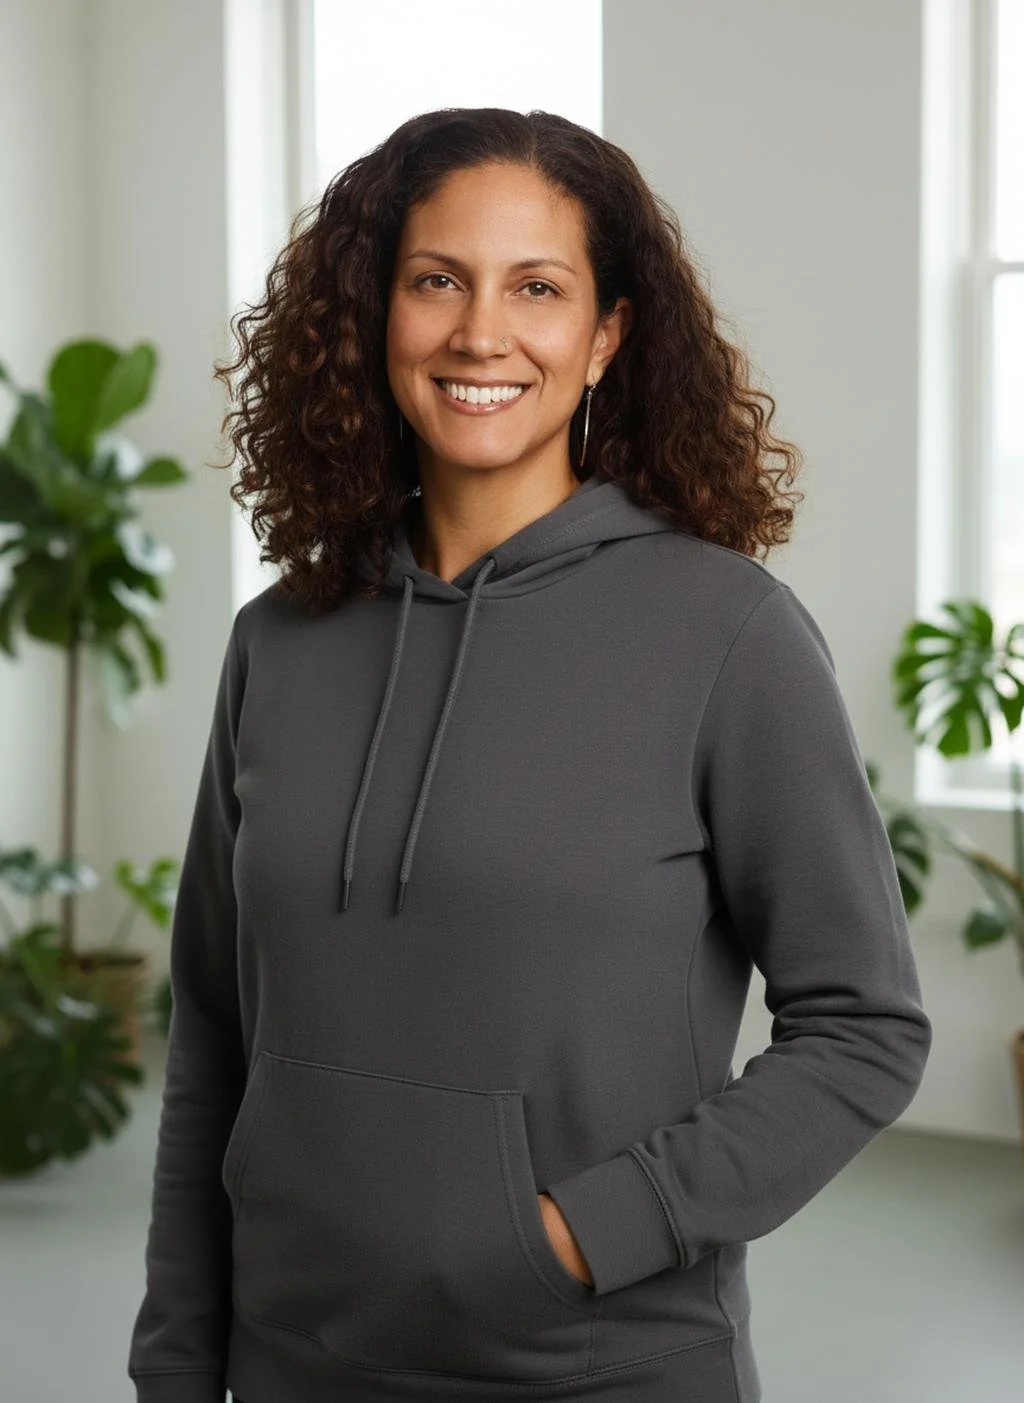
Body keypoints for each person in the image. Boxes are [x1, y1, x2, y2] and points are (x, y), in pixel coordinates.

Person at [126, 107, 932, 1403]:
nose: (480, 333)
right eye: (436, 280)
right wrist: (175, 1358)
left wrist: (579, 1235)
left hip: (591, 1364)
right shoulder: (279, 639)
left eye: (538, 288)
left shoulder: (726, 634)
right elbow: (215, 1031)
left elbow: (864, 1028)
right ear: (375, 314)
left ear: (606, 334)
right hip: (291, 1359)